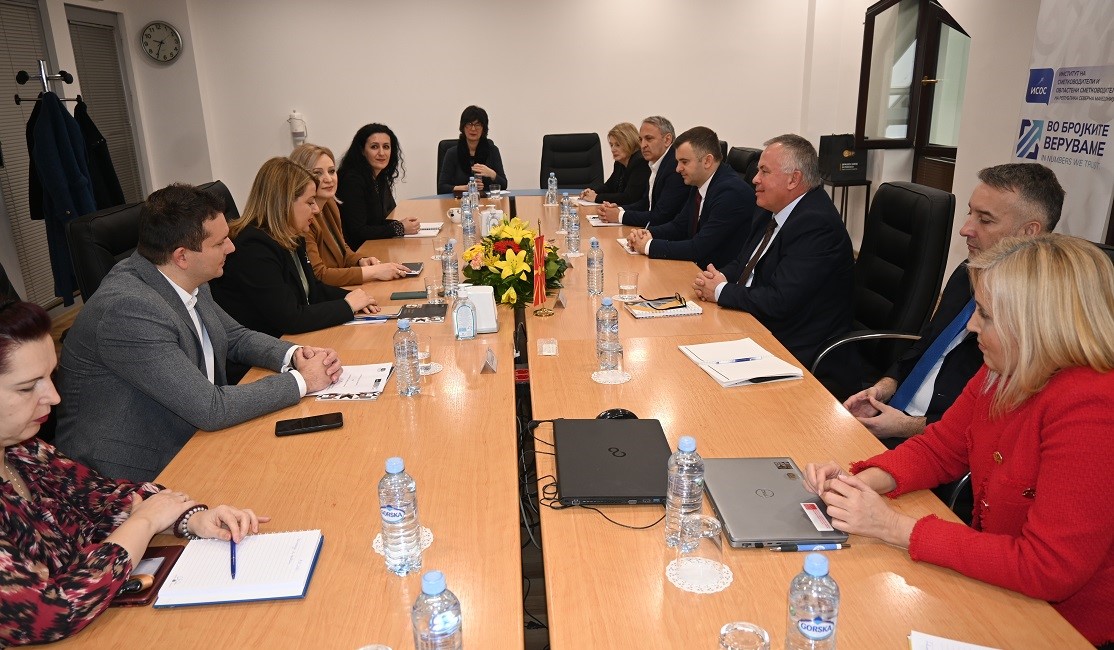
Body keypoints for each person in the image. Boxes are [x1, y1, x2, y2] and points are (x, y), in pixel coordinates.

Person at [804, 234, 1114, 648]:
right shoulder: (1003, 369)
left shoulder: (1094, 410)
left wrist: (893, 527)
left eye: (985, 315)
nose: (970, 326)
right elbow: (940, 449)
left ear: (1035, 326)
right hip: (1000, 590)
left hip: (1064, 628)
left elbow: (1048, 568)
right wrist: (855, 485)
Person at [0, 300, 268, 645]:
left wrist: (189, 519)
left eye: (51, 377)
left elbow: (107, 500)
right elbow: (49, 612)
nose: (53, 397)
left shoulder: (25, 453)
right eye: (27, 387)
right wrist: (143, 523)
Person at [55, 183, 341, 480]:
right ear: (182, 256)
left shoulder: (185, 276)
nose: (231, 248)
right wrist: (302, 381)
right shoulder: (128, 310)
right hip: (129, 475)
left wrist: (295, 355)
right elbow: (211, 408)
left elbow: (235, 336)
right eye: (220, 243)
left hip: (195, 437)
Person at [843, 163, 1065, 446]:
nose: (965, 229)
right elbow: (926, 345)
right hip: (897, 419)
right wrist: (882, 389)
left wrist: (905, 426)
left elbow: (992, 426)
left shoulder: (1039, 317)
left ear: (1028, 231)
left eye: (985, 220)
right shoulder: (967, 272)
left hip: (938, 445)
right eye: (970, 213)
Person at [692, 134, 855, 388]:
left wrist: (721, 291)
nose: (755, 179)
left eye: (764, 172)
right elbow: (745, 262)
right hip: (757, 325)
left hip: (795, 347)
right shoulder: (770, 208)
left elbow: (780, 301)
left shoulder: (817, 224)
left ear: (794, 179)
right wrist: (720, 277)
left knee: (702, 382)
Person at [211, 157, 380, 341]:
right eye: (310, 202)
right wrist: (347, 306)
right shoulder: (253, 247)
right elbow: (290, 318)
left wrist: (356, 298)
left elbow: (313, 290)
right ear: (284, 204)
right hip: (266, 347)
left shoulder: (293, 234)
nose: (316, 210)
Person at [625, 126, 755, 270]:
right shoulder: (699, 183)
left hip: (717, 275)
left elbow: (698, 247)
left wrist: (648, 246)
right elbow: (679, 226)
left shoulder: (731, 193)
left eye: (684, 162)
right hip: (697, 269)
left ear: (707, 161)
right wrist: (647, 233)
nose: (678, 169)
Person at [289, 143, 411, 287]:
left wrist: (360, 260)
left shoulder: (330, 204)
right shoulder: (302, 220)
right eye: (318, 173)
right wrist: (372, 272)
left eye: (331, 171)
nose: (328, 179)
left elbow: (342, 249)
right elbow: (318, 275)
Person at [336, 123, 419, 246]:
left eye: (386, 147)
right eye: (374, 147)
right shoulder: (351, 180)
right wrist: (399, 228)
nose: (381, 153)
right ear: (362, 150)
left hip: (372, 245)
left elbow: (375, 222)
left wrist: (401, 224)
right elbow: (358, 231)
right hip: (358, 250)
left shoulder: (378, 176)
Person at [596, 116, 688, 227]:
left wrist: (619, 216)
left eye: (649, 139)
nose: (643, 145)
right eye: (641, 140)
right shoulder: (656, 163)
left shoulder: (674, 166)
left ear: (667, 140)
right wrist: (618, 209)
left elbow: (662, 216)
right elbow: (646, 203)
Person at [437, 106, 509, 195]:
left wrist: (492, 174)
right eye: (469, 124)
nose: (473, 129)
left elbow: (504, 185)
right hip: (460, 201)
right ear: (463, 127)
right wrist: (466, 188)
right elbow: (441, 188)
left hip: (487, 201)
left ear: (483, 128)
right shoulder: (452, 153)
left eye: (478, 124)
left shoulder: (492, 151)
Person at [579, 122, 649, 205]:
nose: (613, 149)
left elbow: (629, 198)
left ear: (630, 143)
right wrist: (591, 191)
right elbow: (609, 186)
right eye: (611, 145)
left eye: (617, 145)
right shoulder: (620, 163)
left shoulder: (640, 162)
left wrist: (596, 197)